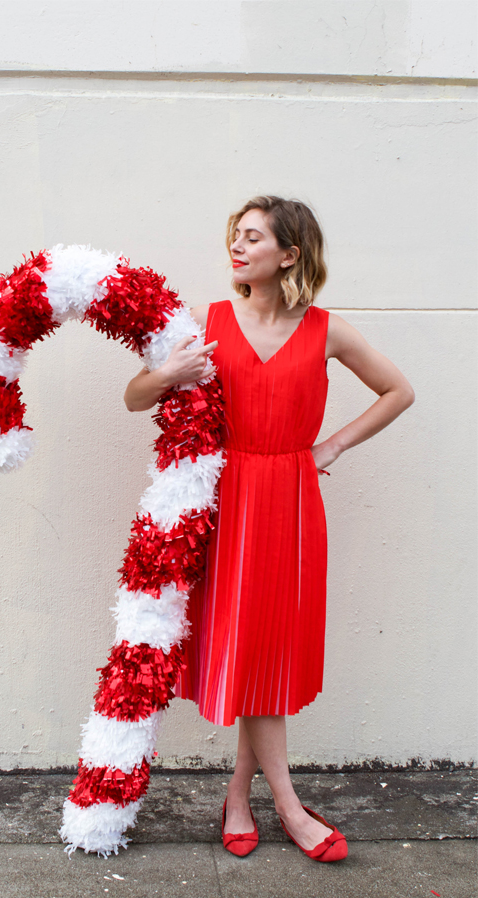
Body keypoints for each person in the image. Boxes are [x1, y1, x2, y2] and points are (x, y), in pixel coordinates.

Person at [124, 196, 415, 862]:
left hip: (289, 502)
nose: (237, 245)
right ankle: (286, 803)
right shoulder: (207, 323)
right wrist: (169, 372)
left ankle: (242, 796)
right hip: (224, 504)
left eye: (253, 236)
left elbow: (398, 390)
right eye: (235, 234)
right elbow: (136, 396)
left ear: (290, 253)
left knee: (270, 655)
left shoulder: (326, 330)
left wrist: (332, 446)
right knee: (252, 652)